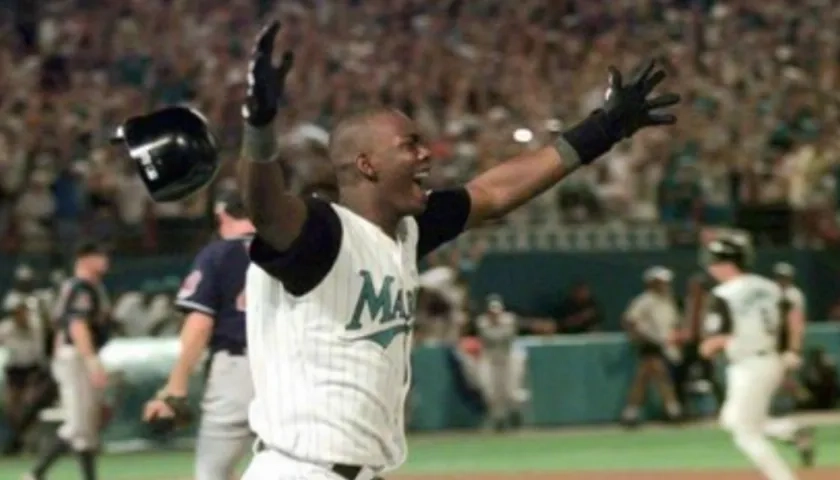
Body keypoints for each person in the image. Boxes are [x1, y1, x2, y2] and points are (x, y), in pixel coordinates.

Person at [233, 20, 679, 480]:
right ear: (366, 165)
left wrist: (602, 130)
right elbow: (266, 208)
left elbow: (495, 192)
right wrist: (259, 128)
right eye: (409, 146)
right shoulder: (322, 233)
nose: (426, 155)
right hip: (298, 470)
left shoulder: (406, 231)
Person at [142, 191, 255, 480]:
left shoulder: (217, 254)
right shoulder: (288, 251)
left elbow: (200, 324)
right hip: (291, 370)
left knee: (212, 472)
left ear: (221, 216)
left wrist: (174, 387)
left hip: (238, 371)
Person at [700, 235, 815, 480]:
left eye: (715, 261)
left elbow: (717, 339)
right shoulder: (769, 286)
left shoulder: (723, 293)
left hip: (747, 365)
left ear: (727, 264)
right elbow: (794, 317)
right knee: (732, 419)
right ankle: (791, 431)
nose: (711, 267)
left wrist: (707, 347)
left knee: (745, 433)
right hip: (772, 360)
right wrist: (793, 350)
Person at [24, 241, 112, 480]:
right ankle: (35, 473)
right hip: (76, 356)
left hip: (75, 356)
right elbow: (77, 325)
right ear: (84, 259)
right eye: (99, 255)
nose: (105, 260)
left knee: (86, 428)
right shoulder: (81, 287)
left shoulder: (88, 286)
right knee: (77, 425)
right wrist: (91, 361)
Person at [620, 266, 682, 426]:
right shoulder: (644, 301)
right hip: (650, 344)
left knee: (644, 378)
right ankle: (673, 410)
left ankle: (630, 413)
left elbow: (673, 324)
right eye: (662, 282)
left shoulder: (668, 301)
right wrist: (639, 338)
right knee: (660, 375)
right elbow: (630, 321)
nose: (666, 285)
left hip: (667, 346)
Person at [0, 293, 48, 455]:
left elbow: (40, 354)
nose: (21, 315)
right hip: (14, 373)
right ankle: (17, 440)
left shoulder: (36, 327)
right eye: (17, 311)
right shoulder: (6, 329)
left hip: (33, 372)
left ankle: (29, 442)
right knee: (11, 407)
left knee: (30, 404)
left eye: (23, 310)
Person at [472, 294, 526, 432]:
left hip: (508, 357)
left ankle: (515, 415)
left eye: (497, 311)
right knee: (490, 391)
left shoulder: (509, 320)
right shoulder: (482, 322)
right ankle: (499, 419)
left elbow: (506, 337)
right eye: (491, 312)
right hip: (490, 358)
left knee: (511, 391)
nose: (494, 315)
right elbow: (488, 339)